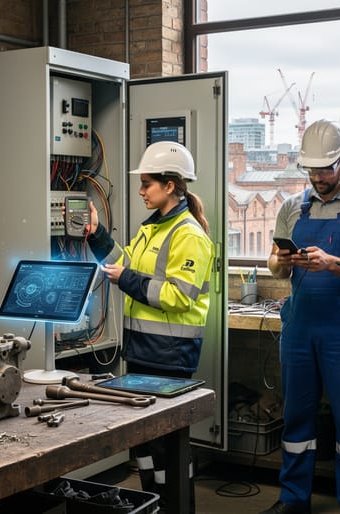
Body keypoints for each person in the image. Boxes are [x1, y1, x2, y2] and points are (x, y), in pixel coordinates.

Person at [263, 119, 340, 514]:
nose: (318, 177)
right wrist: (280, 262)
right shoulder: (291, 206)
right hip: (299, 328)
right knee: (296, 418)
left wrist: (331, 262)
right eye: (312, 170)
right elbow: (274, 266)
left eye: (326, 169)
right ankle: (293, 499)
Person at [84, 140, 213, 511]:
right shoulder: (152, 229)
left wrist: (127, 279)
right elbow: (123, 263)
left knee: (167, 450)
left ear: (170, 186)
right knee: (143, 447)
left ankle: (175, 507)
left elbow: (177, 295)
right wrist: (97, 235)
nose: (141, 191)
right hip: (143, 353)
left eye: (147, 184)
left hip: (170, 360)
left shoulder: (189, 235)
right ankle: (153, 506)